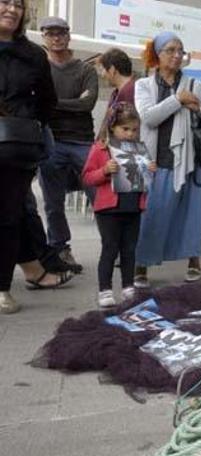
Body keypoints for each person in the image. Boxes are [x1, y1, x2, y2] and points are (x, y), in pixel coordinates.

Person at [0, 0, 74, 314]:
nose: (12, 9)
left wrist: (26, 120)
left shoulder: (32, 54)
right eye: (5, 1)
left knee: (7, 218)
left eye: (18, 4)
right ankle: (33, 268)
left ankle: (2, 288)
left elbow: (47, 101)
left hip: (14, 146)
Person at [133, 32, 201, 286]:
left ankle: (194, 261)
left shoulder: (195, 85)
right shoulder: (144, 85)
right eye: (170, 50)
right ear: (157, 55)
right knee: (153, 215)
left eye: (180, 50)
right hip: (156, 161)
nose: (176, 55)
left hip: (191, 162)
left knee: (192, 217)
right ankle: (142, 265)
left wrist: (200, 109)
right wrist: (177, 100)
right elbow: (148, 117)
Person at [37, 16, 99, 273]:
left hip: (83, 141)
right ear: (44, 37)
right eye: (51, 33)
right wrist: (68, 103)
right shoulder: (39, 67)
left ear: (68, 35)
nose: (56, 37)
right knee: (53, 202)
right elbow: (37, 102)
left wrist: (53, 102)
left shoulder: (85, 70)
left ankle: (114, 246)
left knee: (101, 195)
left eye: (61, 32)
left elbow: (88, 104)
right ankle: (60, 249)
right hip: (51, 140)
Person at [82, 103, 156, 308]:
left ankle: (128, 286)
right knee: (110, 248)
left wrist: (150, 170)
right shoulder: (101, 148)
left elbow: (146, 179)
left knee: (130, 249)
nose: (130, 134)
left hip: (133, 206)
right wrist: (104, 171)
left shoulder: (140, 149)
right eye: (125, 129)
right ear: (113, 127)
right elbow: (87, 177)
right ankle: (105, 289)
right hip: (109, 209)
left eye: (134, 130)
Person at [97, 48, 135, 125]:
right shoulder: (117, 93)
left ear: (112, 70)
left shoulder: (129, 92)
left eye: (103, 69)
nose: (102, 75)